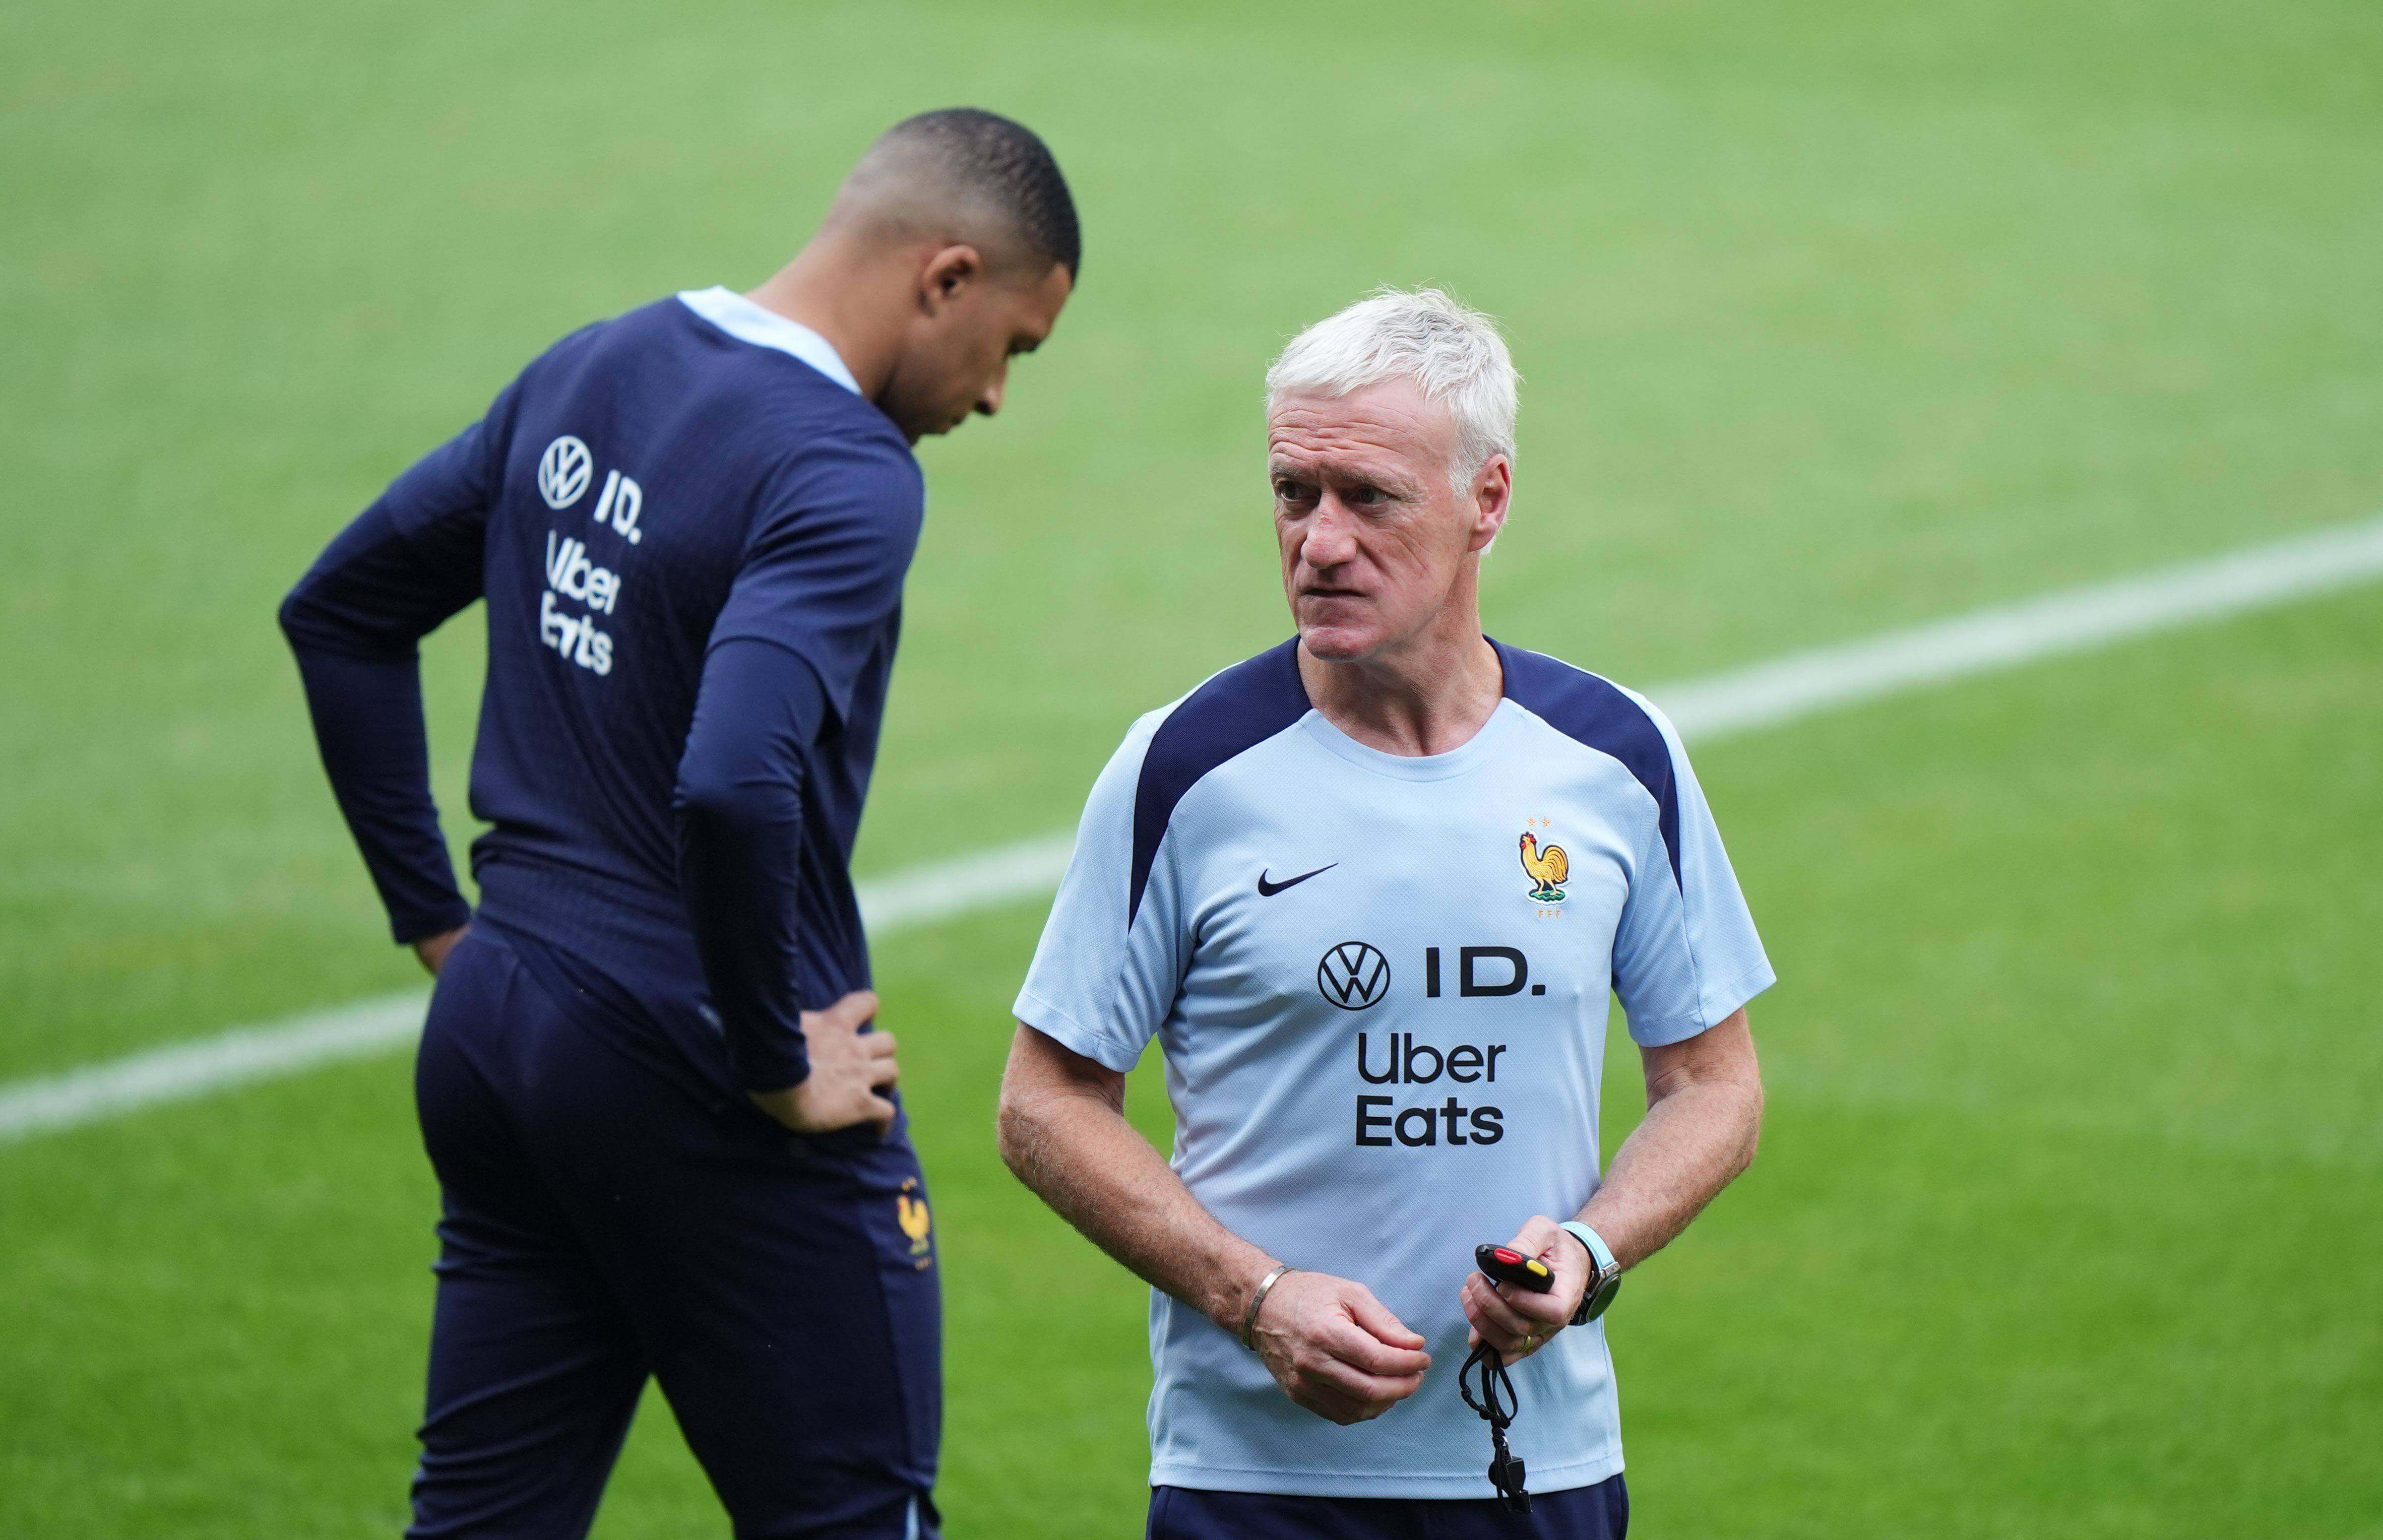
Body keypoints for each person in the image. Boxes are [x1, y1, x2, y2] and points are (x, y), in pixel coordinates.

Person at [279, 107, 1078, 1539]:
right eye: (1014, 345)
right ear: (946, 277)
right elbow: (730, 778)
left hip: (501, 1036)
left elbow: (339, 613)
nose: (998, 396)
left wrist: (444, 928)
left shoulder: (599, 359)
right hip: (697, 1081)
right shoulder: (846, 471)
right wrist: (769, 1057)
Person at [997, 288, 1771, 1539]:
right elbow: (1043, 1105)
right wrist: (1256, 1296)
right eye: (1295, 492)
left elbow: (1714, 1084)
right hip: (1253, 1485)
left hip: (1541, 1467)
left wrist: (1585, 1254)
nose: (1320, 540)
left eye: (1370, 497)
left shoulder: (1617, 761)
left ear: (1489, 501)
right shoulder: (1185, 769)